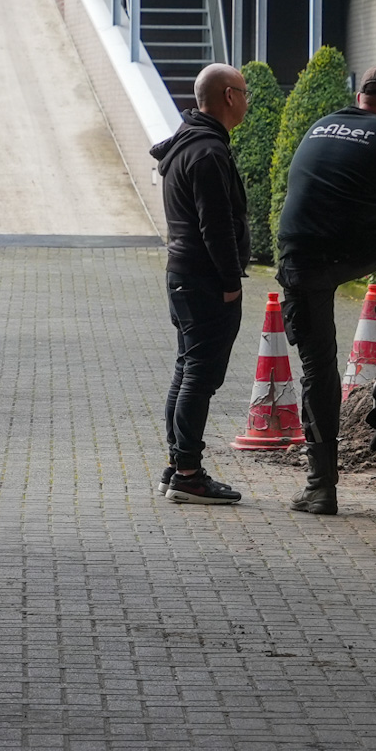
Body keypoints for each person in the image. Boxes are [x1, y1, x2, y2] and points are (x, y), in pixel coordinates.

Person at [275, 63, 376, 515]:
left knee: (318, 370)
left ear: (358, 97)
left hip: (297, 257)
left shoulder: (321, 124)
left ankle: (321, 487)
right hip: (351, 249)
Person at [150, 64, 251, 505]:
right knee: (199, 377)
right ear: (229, 96)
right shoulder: (208, 151)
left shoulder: (188, 143)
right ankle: (188, 473)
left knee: (186, 370)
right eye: (245, 93)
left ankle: (178, 465)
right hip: (205, 280)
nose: (248, 101)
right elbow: (217, 227)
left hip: (183, 275)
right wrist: (230, 281)